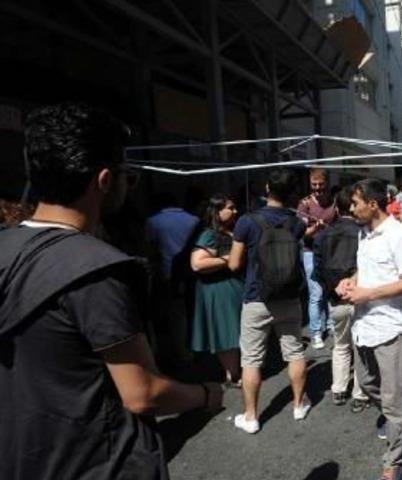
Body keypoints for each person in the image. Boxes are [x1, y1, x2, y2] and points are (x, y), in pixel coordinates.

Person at [0, 103, 222, 479]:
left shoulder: (6, 246)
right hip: (94, 461)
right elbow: (142, 393)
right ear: (104, 180)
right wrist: (205, 395)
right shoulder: (96, 270)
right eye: (126, 175)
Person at [336, 179, 402, 480]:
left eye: (356, 203)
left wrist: (368, 294)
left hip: (390, 328)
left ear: (372, 204)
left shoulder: (400, 236)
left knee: (392, 400)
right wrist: (352, 282)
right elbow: (366, 270)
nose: (351, 208)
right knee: (367, 383)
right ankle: (398, 411)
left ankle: (395, 460)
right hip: (363, 326)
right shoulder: (365, 233)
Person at [228, 169, 311, 434]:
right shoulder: (296, 222)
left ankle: (251, 416)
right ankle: (299, 405)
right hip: (288, 296)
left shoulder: (247, 221)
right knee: (295, 352)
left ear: (266, 188)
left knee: (251, 359)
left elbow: (233, 264)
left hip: (256, 297)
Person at [314, 189, 371, 412]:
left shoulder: (323, 235)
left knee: (340, 345)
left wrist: (332, 289)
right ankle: (359, 393)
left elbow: (317, 271)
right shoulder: (364, 233)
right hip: (360, 295)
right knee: (361, 347)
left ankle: (338, 388)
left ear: (337, 208)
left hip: (335, 298)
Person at [190, 194, 243, 387]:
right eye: (231, 207)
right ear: (217, 211)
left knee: (233, 331)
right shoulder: (209, 234)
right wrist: (229, 258)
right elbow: (197, 264)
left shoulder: (227, 231)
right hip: (218, 290)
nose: (235, 211)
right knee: (225, 333)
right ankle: (233, 374)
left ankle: (235, 371)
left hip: (229, 288)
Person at [145, 191, 200, 370]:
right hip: (193, 272)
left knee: (176, 315)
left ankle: (183, 353)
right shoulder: (193, 219)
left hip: (168, 274)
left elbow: (150, 248)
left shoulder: (153, 221)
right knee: (192, 311)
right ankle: (198, 347)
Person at [299, 169, 337, 350]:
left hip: (330, 252)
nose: (317, 188)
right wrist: (316, 229)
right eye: (314, 184)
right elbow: (302, 234)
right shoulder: (305, 204)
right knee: (316, 293)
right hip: (310, 251)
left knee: (329, 290)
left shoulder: (334, 202)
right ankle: (315, 332)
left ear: (326, 183)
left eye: (320, 184)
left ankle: (331, 326)